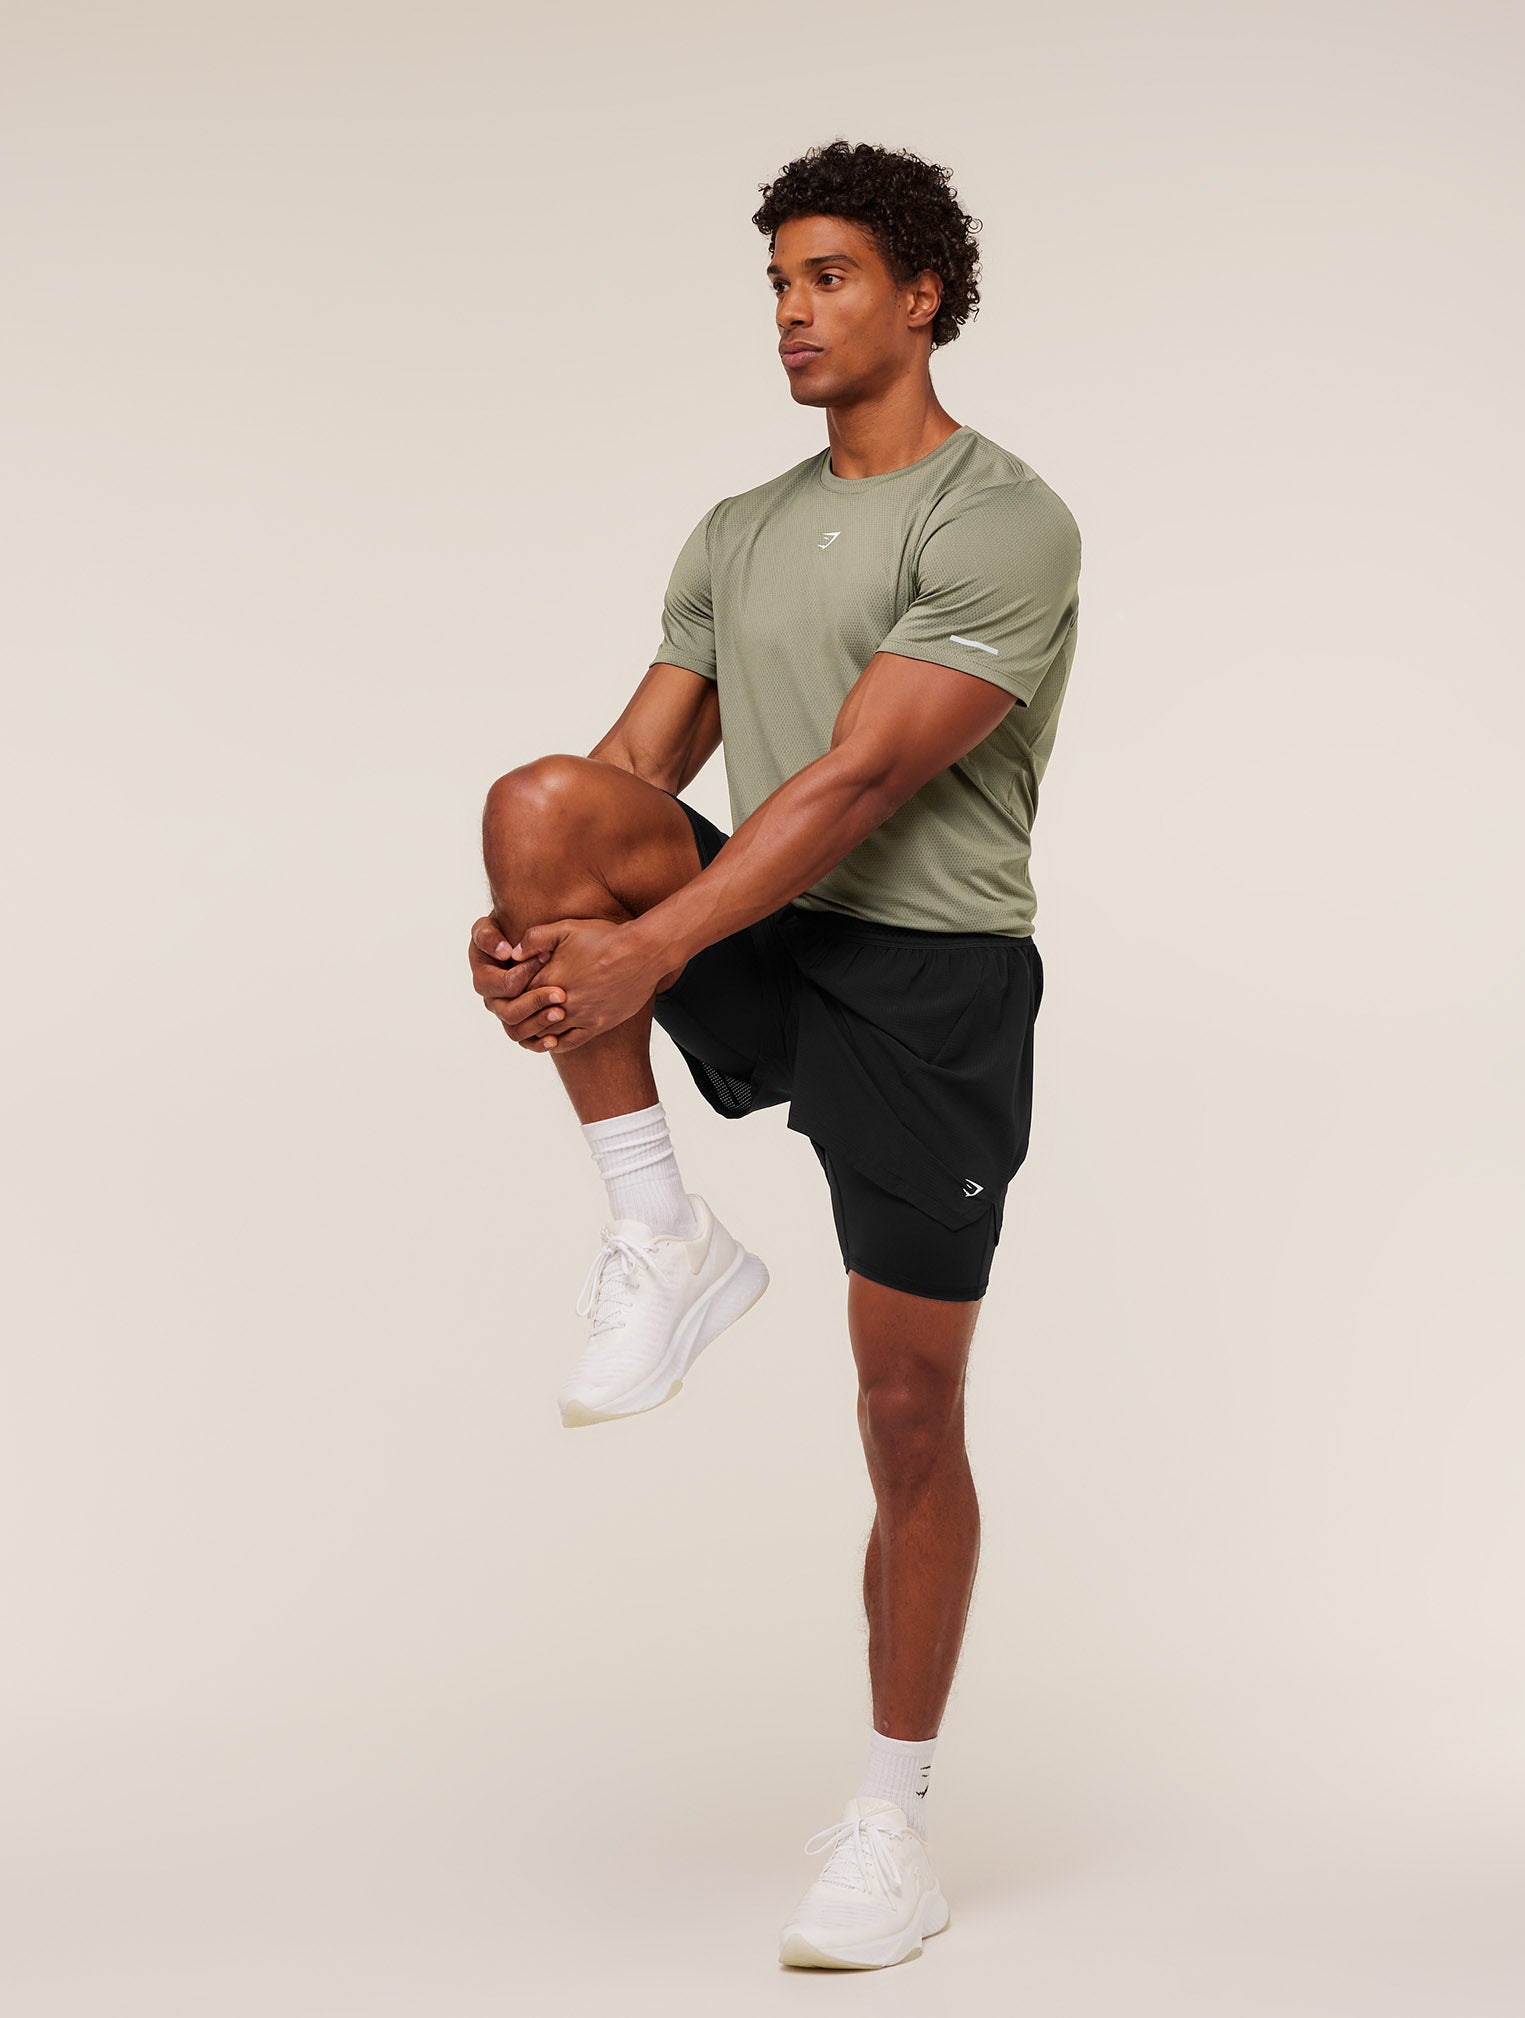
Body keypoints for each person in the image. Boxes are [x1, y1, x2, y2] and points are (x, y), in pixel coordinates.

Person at [467, 137, 1081, 1970]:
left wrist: (644, 948)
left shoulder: (1001, 518)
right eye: (779, 286)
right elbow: (626, 780)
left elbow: (863, 777)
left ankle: (892, 1822)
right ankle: (661, 1230)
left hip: (930, 981)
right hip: (763, 929)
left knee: (907, 1408)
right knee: (536, 809)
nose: (796, 316)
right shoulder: (737, 529)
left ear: (923, 297)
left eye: (831, 279)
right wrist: (539, 928)